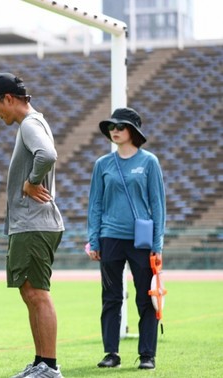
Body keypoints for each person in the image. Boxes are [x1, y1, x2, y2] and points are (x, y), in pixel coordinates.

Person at [0, 73, 65, 378]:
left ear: (8, 98)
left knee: (37, 293)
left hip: (34, 222)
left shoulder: (29, 124)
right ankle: (42, 362)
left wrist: (30, 183)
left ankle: (50, 367)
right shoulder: (32, 123)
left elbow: (48, 155)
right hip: (30, 223)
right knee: (30, 292)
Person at [86, 107, 166, 370]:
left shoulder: (149, 162)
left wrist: (157, 245)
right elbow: (95, 204)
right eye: (111, 126)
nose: (114, 131)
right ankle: (111, 352)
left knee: (146, 297)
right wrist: (94, 239)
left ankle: (147, 355)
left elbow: (158, 205)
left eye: (120, 126)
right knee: (111, 298)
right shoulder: (102, 165)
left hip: (141, 242)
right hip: (110, 239)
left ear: (133, 131)